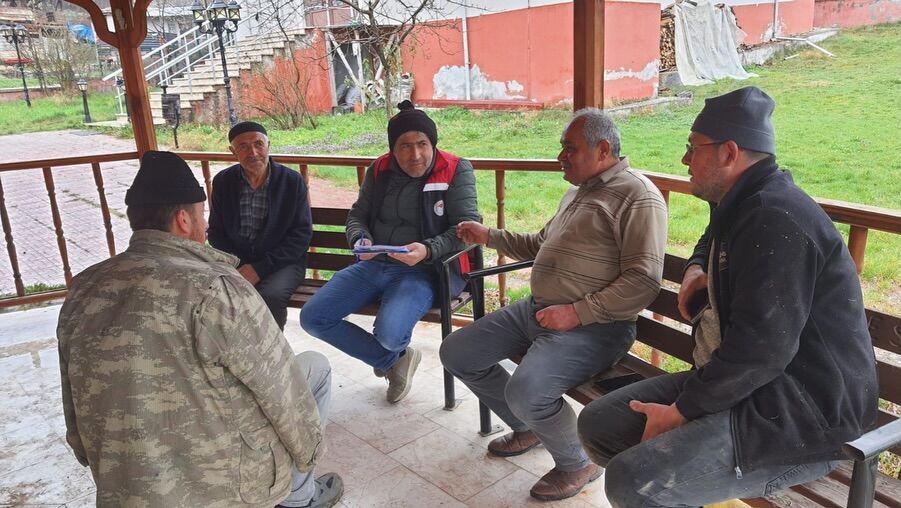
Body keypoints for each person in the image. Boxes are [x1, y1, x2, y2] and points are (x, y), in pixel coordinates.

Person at [577, 86, 879, 507]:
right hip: (753, 383)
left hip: (804, 412)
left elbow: (763, 350)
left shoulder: (774, 218)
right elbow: (713, 233)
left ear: (729, 152)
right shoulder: (741, 201)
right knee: (600, 425)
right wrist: (698, 265)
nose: (685, 159)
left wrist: (681, 413)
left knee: (635, 481)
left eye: (692, 147)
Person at [57, 151, 343, 508]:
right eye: (201, 216)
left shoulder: (84, 287)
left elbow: (73, 399)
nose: (204, 226)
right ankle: (301, 497)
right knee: (313, 367)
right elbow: (281, 389)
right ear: (183, 220)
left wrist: (95, 456)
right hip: (223, 485)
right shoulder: (217, 288)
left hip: (127, 483)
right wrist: (308, 452)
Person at [441, 108, 668, 501]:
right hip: (539, 311)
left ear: (601, 150)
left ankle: (578, 460)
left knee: (527, 391)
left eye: (569, 148)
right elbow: (538, 244)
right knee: (458, 352)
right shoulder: (578, 192)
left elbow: (643, 280)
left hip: (597, 327)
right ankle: (530, 428)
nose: (560, 156)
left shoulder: (638, 196)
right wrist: (489, 236)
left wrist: (576, 312)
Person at [300, 100, 479, 403]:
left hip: (425, 270)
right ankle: (393, 361)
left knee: (388, 334)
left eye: (422, 144)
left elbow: (466, 231)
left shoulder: (455, 169)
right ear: (393, 149)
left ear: (432, 143)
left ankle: (389, 353)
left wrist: (427, 249)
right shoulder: (380, 169)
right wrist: (360, 238)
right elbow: (358, 215)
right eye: (405, 146)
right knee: (313, 318)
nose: (415, 154)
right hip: (375, 265)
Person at [208, 121, 312, 330]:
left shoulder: (291, 181)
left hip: (283, 262)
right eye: (243, 147)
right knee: (213, 292)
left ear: (268, 145)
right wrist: (240, 265)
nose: (253, 152)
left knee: (270, 296)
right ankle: (234, 352)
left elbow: (300, 235)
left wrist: (258, 268)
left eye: (258, 144)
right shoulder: (223, 181)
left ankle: (271, 355)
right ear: (232, 152)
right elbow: (216, 232)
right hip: (238, 261)